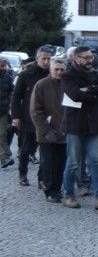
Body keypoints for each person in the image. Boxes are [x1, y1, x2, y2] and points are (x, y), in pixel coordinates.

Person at [60, 46, 98, 210]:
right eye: (85, 57)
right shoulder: (68, 75)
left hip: (93, 124)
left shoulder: (95, 73)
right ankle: (68, 194)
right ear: (76, 58)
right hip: (75, 125)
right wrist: (93, 94)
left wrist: (89, 90)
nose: (89, 60)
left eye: (90, 57)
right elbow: (75, 95)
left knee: (96, 161)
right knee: (72, 163)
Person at [10, 45, 53, 186]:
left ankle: (42, 178)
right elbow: (16, 97)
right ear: (37, 59)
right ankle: (23, 173)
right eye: (44, 58)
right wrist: (16, 117)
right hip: (28, 117)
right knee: (26, 149)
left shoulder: (52, 74)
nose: (46, 62)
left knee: (45, 150)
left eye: (49, 59)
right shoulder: (26, 74)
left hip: (47, 117)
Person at [30, 57, 67, 202]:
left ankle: (57, 189)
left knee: (61, 162)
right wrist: (46, 130)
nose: (59, 72)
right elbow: (35, 111)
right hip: (46, 132)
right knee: (48, 163)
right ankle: (50, 191)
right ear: (50, 70)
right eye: (56, 69)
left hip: (65, 130)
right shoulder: (41, 85)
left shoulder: (68, 84)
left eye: (62, 70)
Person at [0, 57, 14, 168]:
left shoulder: (8, 78)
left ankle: (4, 157)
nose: (2, 68)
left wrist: (9, 103)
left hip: (3, 110)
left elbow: (12, 92)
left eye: (3, 65)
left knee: (2, 134)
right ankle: (5, 155)